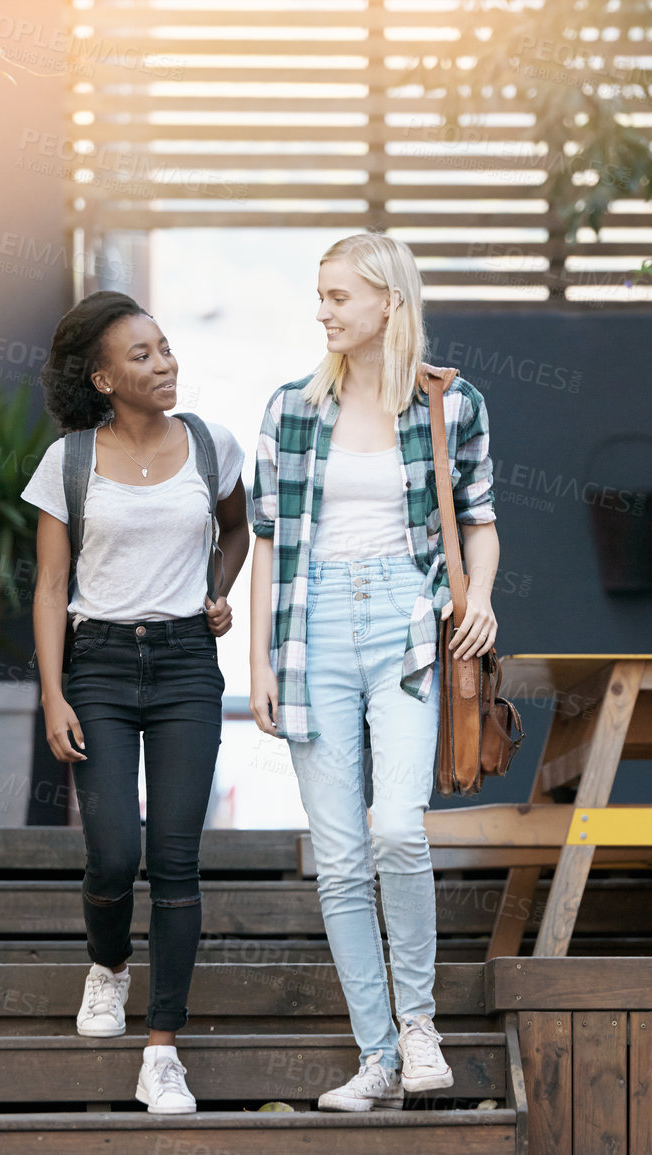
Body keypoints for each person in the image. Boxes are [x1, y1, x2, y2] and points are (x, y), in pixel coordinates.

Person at [247, 233, 500, 1111]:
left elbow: (480, 519)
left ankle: (420, 1026)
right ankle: (377, 1056)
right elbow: (267, 546)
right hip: (311, 626)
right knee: (341, 856)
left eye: (338, 296)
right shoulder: (289, 409)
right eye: (319, 296)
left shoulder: (448, 403)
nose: (323, 311)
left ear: (389, 302)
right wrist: (262, 666)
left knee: (396, 826)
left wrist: (483, 598)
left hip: (404, 619)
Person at [21, 290, 249, 1115]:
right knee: (116, 851)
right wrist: (53, 693)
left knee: (177, 858)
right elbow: (51, 587)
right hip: (101, 668)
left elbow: (235, 532)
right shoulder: (69, 460)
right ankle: (108, 964)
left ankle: (162, 1049)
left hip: (188, 663)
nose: (165, 364)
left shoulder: (211, 444)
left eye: (165, 347)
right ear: (103, 376)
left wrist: (217, 592)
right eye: (143, 356)